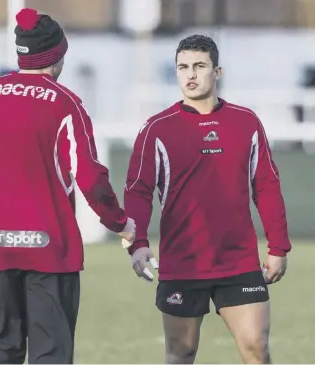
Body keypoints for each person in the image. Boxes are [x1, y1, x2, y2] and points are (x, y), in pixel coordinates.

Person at [0, 8, 135, 364]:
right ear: (58, 55)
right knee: (51, 355)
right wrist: (120, 223)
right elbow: (91, 178)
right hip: (52, 252)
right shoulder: (66, 104)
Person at [124, 34, 291, 364]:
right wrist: (137, 243)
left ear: (217, 72)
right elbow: (138, 191)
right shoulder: (157, 128)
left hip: (238, 261)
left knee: (256, 347)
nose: (190, 74)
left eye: (199, 66)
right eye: (183, 67)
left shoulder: (246, 122)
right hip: (183, 264)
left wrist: (278, 247)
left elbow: (267, 186)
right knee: (180, 353)